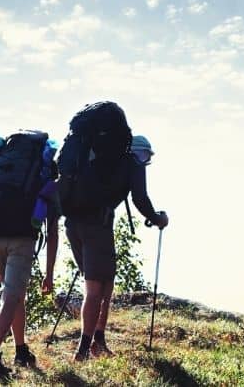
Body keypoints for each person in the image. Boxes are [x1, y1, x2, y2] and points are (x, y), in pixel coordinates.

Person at [64, 134, 168, 361]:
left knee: (106, 284)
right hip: (97, 227)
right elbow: (140, 198)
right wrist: (157, 219)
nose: (144, 161)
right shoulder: (132, 162)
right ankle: (83, 350)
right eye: (145, 156)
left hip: (73, 224)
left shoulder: (96, 159)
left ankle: (98, 340)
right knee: (94, 291)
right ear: (137, 152)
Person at [0, 137, 60, 378]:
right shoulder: (45, 177)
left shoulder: (4, 166)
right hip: (22, 240)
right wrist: (50, 273)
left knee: (16, 298)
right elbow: (52, 232)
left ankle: (21, 349)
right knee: (11, 298)